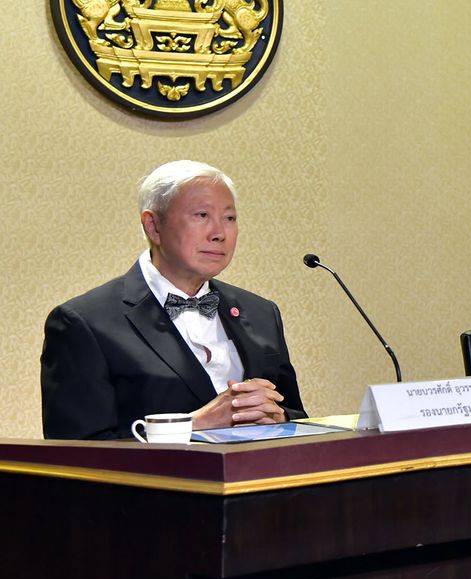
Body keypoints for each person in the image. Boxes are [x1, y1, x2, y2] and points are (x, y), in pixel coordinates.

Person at [41, 161, 306, 439]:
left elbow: (299, 419)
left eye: (229, 218)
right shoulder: (83, 323)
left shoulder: (262, 312)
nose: (219, 233)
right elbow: (76, 452)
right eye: (202, 215)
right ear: (153, 226)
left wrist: (280, 419)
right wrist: (192, 426)